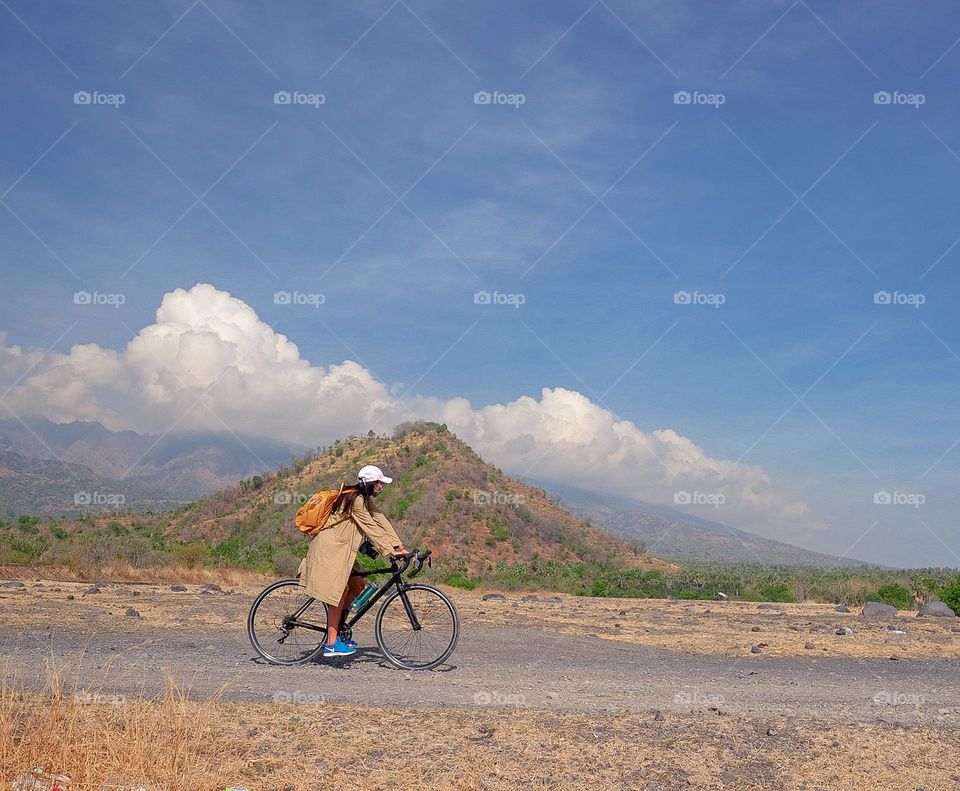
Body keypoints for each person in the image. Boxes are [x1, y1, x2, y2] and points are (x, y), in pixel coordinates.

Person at [298, 464, 408, 657]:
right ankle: (331, 644)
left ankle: (339, 628)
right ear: (368, 484)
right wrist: (389, 551)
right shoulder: (355, 500)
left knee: (358, 585)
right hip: (330, 549)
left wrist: (399, 547)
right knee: (337, 593)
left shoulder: (364, 499)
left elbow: (380, 520)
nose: (381, 487)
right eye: (378, 484)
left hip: (342, 551)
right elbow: (370, 528)